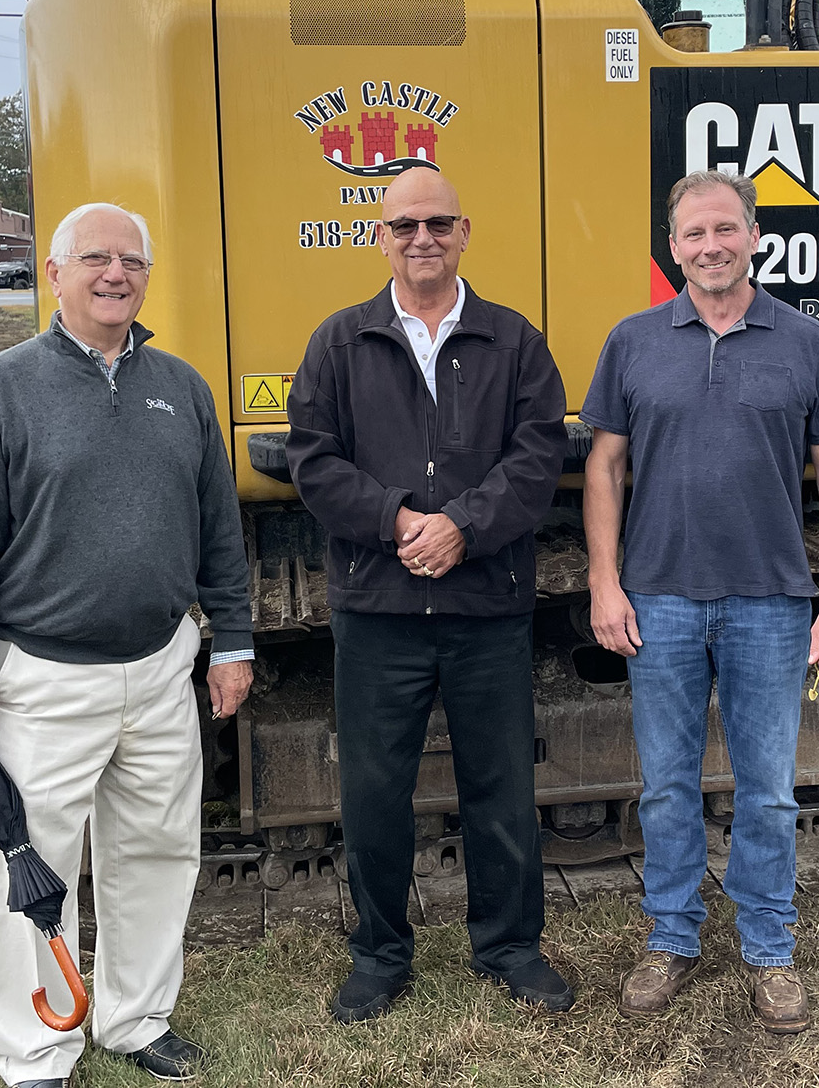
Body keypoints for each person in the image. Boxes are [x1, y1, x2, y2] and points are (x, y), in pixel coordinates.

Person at [0, 203, 255, 1087]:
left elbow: (218, 528)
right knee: (29, 868)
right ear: (55, 275)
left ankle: (135, 1016)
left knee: (155, 849)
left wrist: (233, 640)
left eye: (132, 261)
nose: (117, 274)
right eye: (96, 259)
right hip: (41, 675)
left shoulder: (181, 386)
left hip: (159, 665)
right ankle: (36, 1050)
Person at [285, 166, 572, 1020]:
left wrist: (464, 527)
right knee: (374, 792)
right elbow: (312, 457)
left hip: (486, 606)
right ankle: (379, 953)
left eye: (438, 223)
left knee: (500, 787)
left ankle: (510, 945)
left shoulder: (514, 341)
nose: (423, 238)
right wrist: (397, 519)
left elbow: (537, 455)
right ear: (379, 236)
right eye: (404, 224)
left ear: (464, 231)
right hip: (378, 610)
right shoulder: (339, 342)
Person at [582, 169, 819, 1035]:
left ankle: (768, 949)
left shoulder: (804, 342)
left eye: (724, 230)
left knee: (769, 791)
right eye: (692, 234)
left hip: (771, 602)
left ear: (752, 236)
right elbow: (602, 467)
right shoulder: (632, 341)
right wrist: (603, 579)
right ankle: (670, 937)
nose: (709, 246)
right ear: (672, 248)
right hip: (658, 599)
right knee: (666, 787)